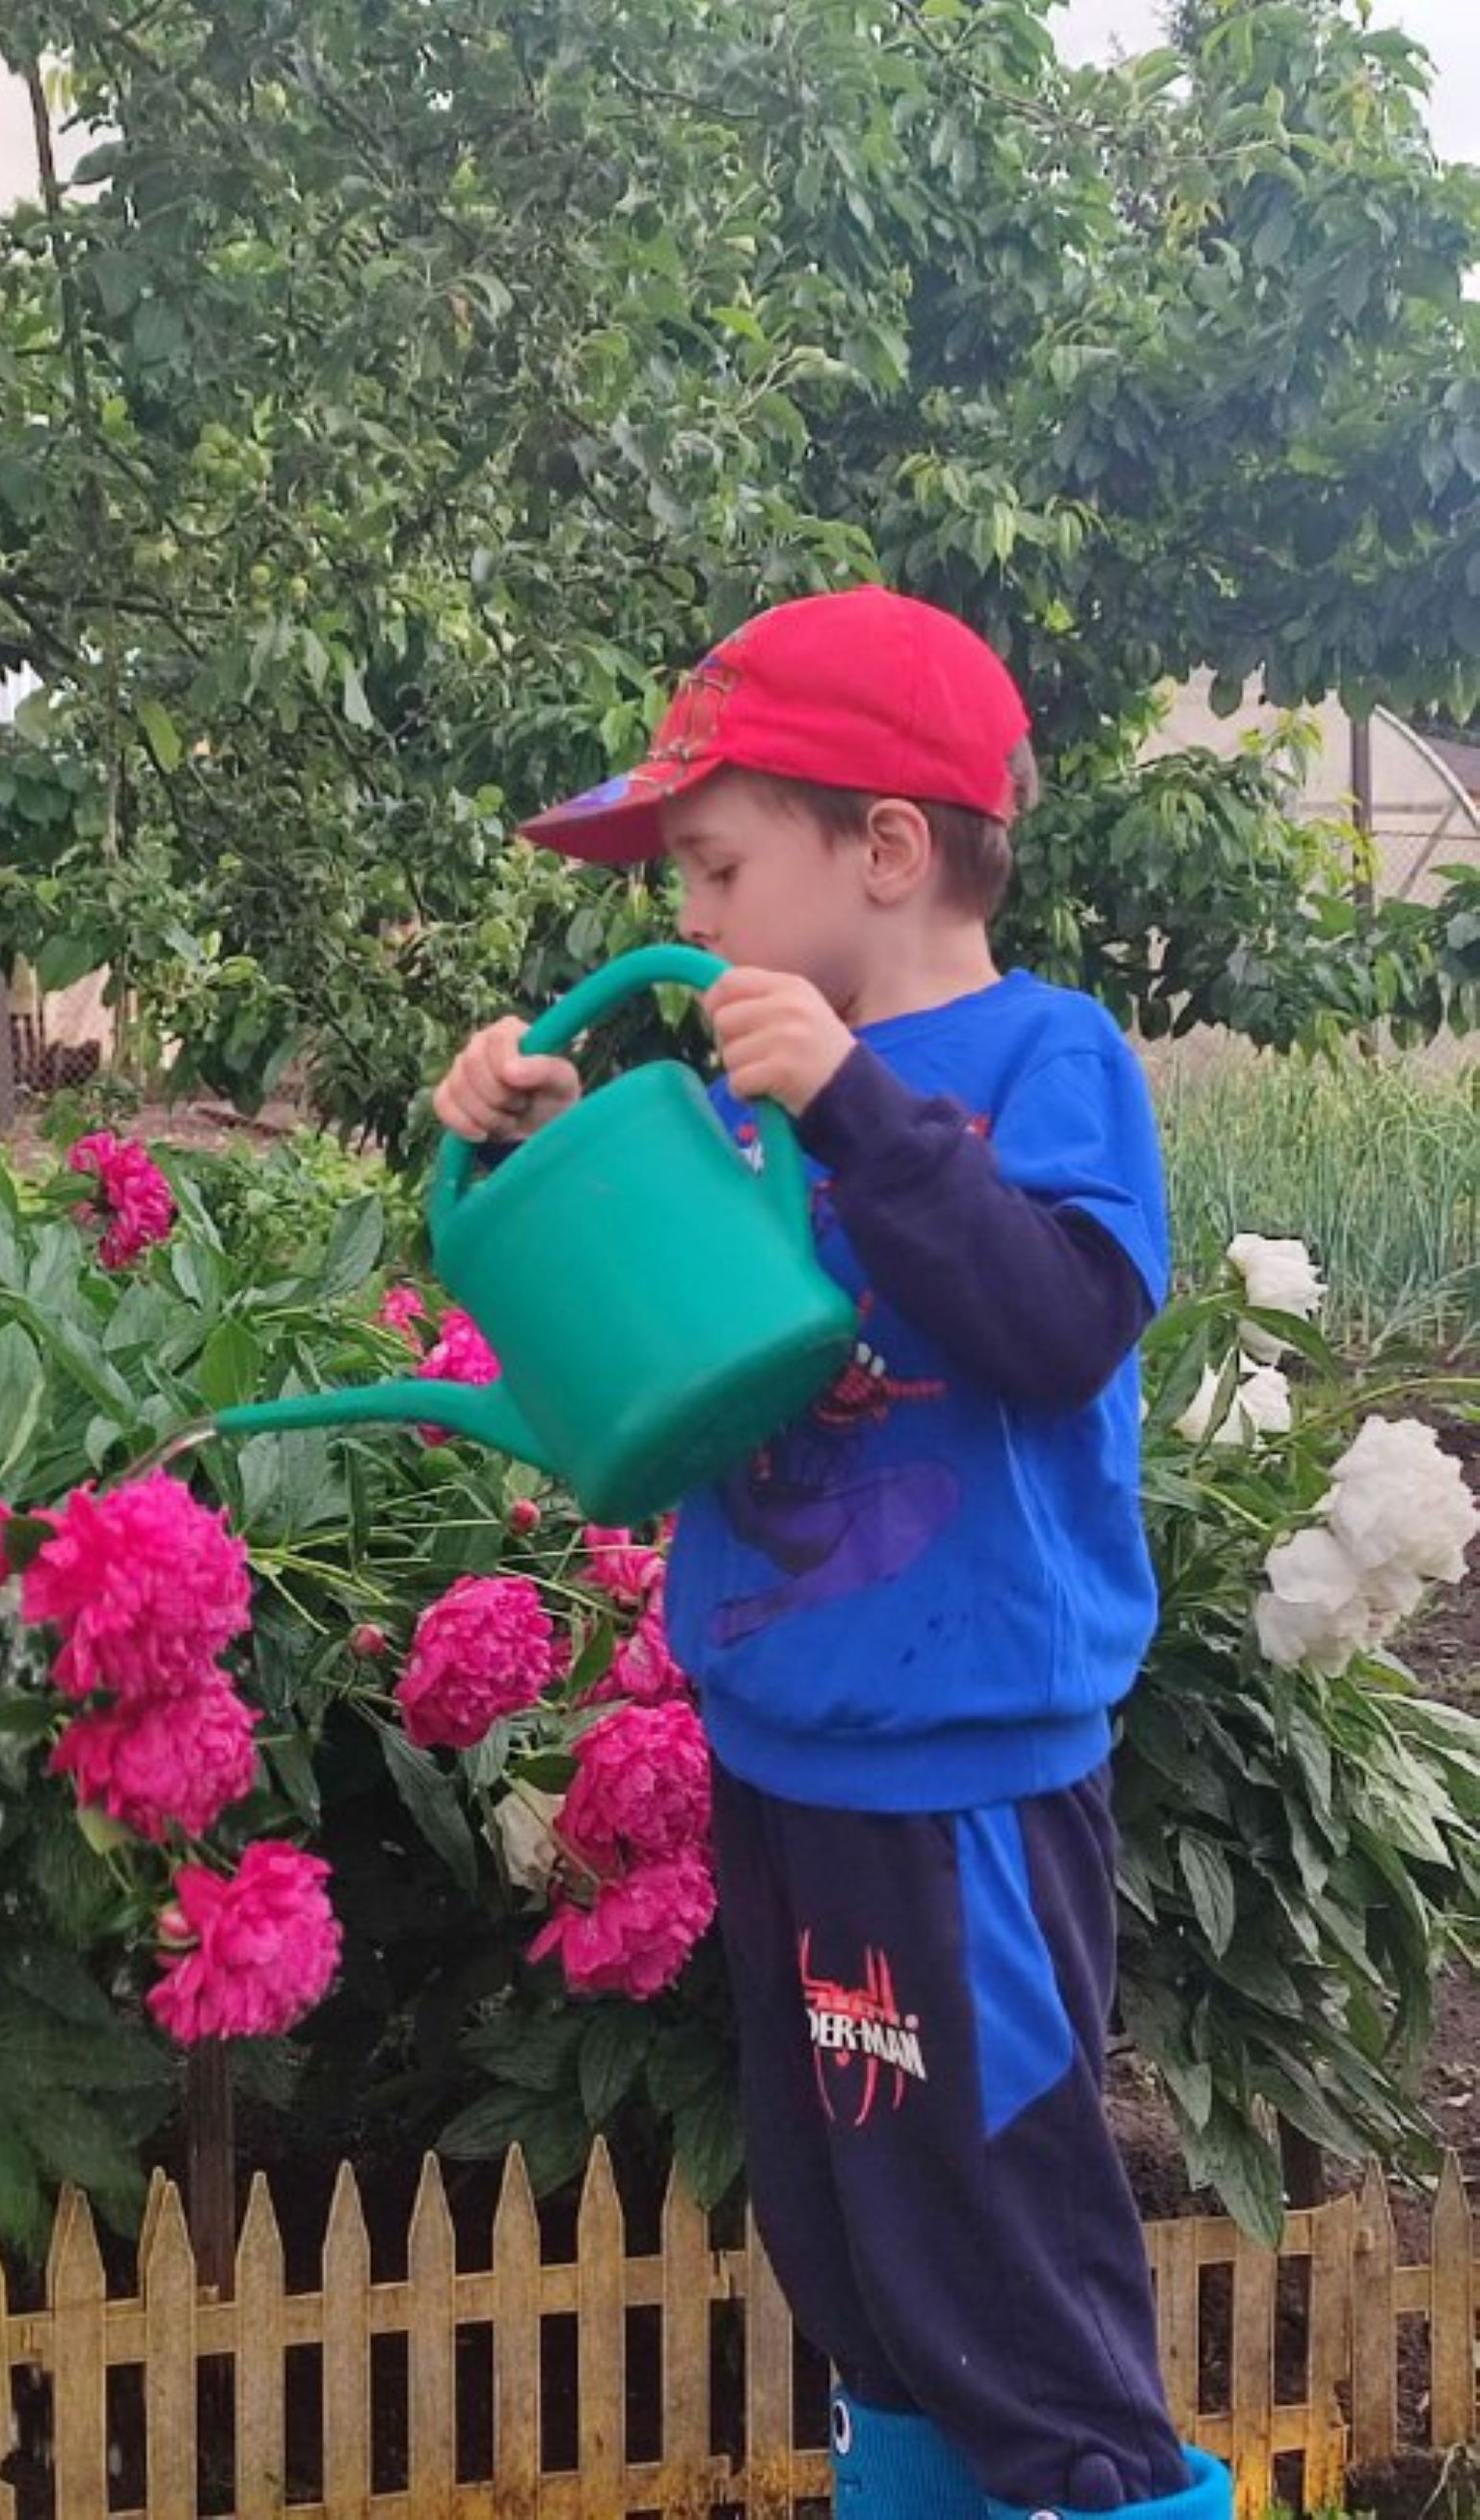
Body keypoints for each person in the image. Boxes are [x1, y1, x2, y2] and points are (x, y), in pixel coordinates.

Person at [433, 587, 1230, 2520]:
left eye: (713, 866)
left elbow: (1055, 1320)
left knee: (1004, 2264)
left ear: (883, 848)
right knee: (857, 2256)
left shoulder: (1047, 1058)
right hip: (783, 1755)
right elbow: (652, 1351)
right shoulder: (743, 1108)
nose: (689, 913)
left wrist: (857, 1107)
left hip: (962, 1782)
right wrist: (532, 1144)